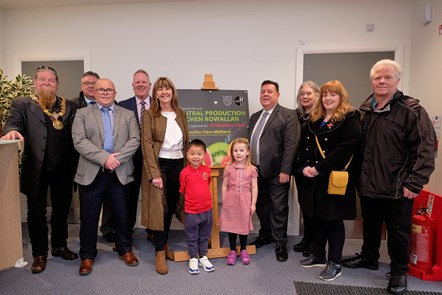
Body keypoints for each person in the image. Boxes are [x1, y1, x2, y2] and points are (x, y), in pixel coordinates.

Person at [342, 59, 436, 294]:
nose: (382, 81)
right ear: (372, 81)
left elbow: (425, 149)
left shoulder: (411, 111)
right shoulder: (364, 111)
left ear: (397, 80)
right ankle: (369, 257)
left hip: (398, 186)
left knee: (398, 232)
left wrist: (414, 183)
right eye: (377, 78)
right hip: (367, 183)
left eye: (388, 77)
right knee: (370, 224)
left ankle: (398, 272)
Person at [1, 66, 78, 273]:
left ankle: (60, 246)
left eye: (51, 80)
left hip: (64, 168)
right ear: (35, 82)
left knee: (62, 210)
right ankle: (39, 254)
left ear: (57, 84)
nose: (46, 83)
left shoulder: (69, 106)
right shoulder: (22, 104)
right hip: (36, 167)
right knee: (36, 213)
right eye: (42, 79)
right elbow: (12, 124)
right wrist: (12, 131)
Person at [72, 78, 140, 275]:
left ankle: (124, 249)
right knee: (89, 217)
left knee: (122, 215)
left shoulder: (127, 115)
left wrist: (116, 160)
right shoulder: (82, 113)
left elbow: (134, 139)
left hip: (119, 171)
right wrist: (104, 159)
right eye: (101, 89)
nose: (105, 92)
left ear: (115, 93)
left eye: (109, 90)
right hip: (93, 173)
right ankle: (87, 255)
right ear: (94, 92)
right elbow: (79, 141)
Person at [297, 80, 361, 281]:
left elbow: (345, 150)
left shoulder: (350, 117)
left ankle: (335, 263)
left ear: (341, 97)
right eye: (325, 95)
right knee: (316, 218)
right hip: (313, 178)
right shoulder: (315, 118)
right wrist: (304, 168)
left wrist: (318, 169)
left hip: (332, 178)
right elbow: (303, 146)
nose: (328, 98)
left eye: (333, 95)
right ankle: (318, 255)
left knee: (333, 221)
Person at [140, 76, 189, 275]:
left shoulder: (181, 114)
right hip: (160, 165)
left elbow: (187, 142)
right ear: (155, 94)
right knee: (160, 209)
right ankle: (159, 251)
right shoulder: (150, 114)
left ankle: (165, 244)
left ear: (172, 91)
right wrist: (154, 173)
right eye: (160, 89)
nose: (164, 92)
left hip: (179, 164)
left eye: (167, 88)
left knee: (171, 206)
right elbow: (146, 145)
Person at [248, 80, 300, 262]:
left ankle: (280, 244)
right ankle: (265, 235)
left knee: (278, 209)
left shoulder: (288, 115)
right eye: (263, 91)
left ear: (277, 95)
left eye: (270, 91)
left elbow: (291, 145)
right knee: (261, 207)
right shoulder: (255, 116)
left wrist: (286, 170)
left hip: (278, 172)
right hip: (256, 171)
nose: (265, 94)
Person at [71, 71, 116, 243]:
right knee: (89, 212)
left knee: (112, 206)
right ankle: (88, 250)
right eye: (87, 83)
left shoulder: (116, 108)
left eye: (93, 83)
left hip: (115, 166)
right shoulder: (75, 107)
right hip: (86, 164)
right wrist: (104, 157)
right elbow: (78, 139)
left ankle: (108, 230)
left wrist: (112, 159)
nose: (91, 86)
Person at [118, 69, 152, 235]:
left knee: (152, 197)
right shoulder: (122, 106)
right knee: (128, 198)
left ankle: (153, 231)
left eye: (143, 82)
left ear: (150, 85)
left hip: (152, 160)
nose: (140, 85)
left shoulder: (160, 105)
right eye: (137, 82)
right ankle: (127, 231)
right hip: (129, 160)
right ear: (132, 86)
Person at [293, 81, 320, 257]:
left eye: (309, 93)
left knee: (315, 207)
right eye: (302, 93)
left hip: (315, 169)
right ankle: (307, 238)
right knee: (304, 205)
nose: (305, 96)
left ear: (317, 95)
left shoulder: (322, 116)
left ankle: (314, 242)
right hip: (299, 168)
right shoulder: (296, 116)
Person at [220, 138, 258, 266]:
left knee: (243, 225)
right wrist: (225, 200)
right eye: (235, 150)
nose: (238, 153)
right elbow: (224, 185)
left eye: (241, 150)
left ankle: (243, 250)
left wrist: (253, 204)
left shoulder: (252, 169)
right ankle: (232, 250)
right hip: (231, 200)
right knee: (231, 226)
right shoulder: (229, 168)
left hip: (245, 200)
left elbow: (254, 187)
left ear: (247, 152)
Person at [179, 139, 215, 274]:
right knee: (192, 235)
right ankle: (193, 257)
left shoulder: (207, 170)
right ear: (187, 154)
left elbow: (208, 183)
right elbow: (182, 190)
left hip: (207, 210)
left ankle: (203, 256)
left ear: (204, 155)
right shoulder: (184, 173)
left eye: (199, 154)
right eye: (192, 153)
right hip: (192, 212)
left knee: (205, 235)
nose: (195, 157)